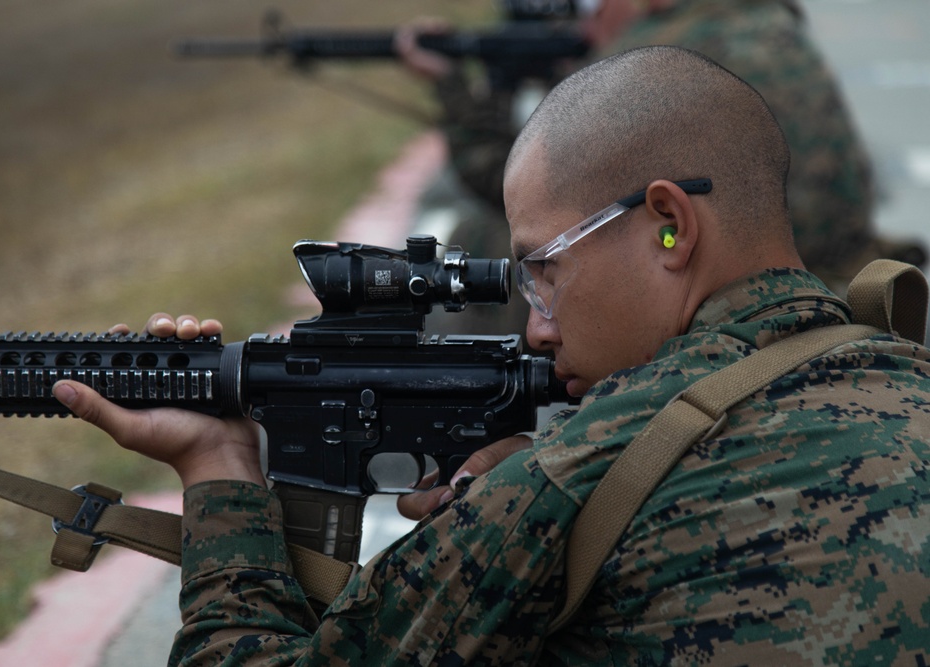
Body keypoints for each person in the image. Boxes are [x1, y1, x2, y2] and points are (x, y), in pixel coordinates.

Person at [53, 47, 930, 665]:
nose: (538, 327)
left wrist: (218, 470)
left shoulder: (564, 478)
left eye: (543, 269)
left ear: (670, 223)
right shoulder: (905, 372)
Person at [398, 0, 927, 306]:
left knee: (501, 241)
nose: (585, 28)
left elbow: (517, 187)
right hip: (855, 277)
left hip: (763, 298)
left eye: (590, 11)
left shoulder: (649, 56)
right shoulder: (765, 18)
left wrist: (452, 90)